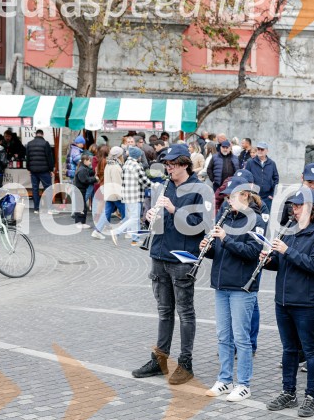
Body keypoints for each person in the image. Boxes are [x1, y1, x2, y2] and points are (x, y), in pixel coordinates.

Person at [132, 144, 206, 385]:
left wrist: (175, 210)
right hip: (159, 254)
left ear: (184, 164)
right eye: (166, 164)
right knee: (164, 311)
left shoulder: (199, 189)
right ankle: (160, 359)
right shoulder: (165, 185)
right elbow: (156, 217)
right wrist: (149, 217)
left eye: (172, 164)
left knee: (185, 312)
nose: (168, 168)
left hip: (182, 258)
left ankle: (186, 363)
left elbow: (200, 225)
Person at [263, 187, 314, 417]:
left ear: (311, 208)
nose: (294, 209)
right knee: (289, 349)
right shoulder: (288, 231)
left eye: (299, 205)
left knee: (311, 350)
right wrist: (268, 260)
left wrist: (287, 251)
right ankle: (288, 392)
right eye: (293, 205)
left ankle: (311, 396)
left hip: (307, 303)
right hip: (284, 301)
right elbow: (281, 262)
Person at [203, 177, 268, 402]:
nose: (228, 201)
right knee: (223, 336)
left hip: (242, 286)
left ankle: (244, 384)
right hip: (222, 284)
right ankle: (225, 379)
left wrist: (225, 238)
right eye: (227, 197)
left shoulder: (256, 220)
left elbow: (252, 252)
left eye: (232, 196)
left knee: (241, 338)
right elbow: (221, 252)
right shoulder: (226, 217)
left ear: (245, 195)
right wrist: (209, 248)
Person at [114, 147, 151, 246]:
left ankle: (135, 240)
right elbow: (144, 181)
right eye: (140, 155)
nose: (141, 157)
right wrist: (154, 185)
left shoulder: (126, 163)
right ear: (137, 156)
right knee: (134, 218)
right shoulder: (136, 165)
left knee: (133, 218)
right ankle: (117, 231)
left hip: (127, 195)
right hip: (135, 195)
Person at [92, 147, 125, 240]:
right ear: (119, 156)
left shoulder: (109, 164)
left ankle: (97, 231)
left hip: (110, 193)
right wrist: (121, 195)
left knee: (106, 213)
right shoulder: (115, 167)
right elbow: (117, 183)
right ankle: (128, 232)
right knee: (126, 213)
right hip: (116, 195)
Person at [25, 130, 55, 214]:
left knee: (35, 189)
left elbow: (27, 157)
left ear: (35, 134)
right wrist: (51, 169)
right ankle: (49, 209)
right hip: (44, 170)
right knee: (48, 188)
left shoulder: (29, 144)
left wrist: (29, 168)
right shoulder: (45, 143)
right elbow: (49, 157)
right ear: (42, 134)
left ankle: (36, 209)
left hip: (33, 171)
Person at [246, 142, 280, 212]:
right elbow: (246, 177)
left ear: (267, 151)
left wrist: (272, 194)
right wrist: (249, 192)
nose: (260, 151)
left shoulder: (272, 163)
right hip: (253, 196)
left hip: (267, 197)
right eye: (258, 149)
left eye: (262, 149)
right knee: (253, 215)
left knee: (266, 216)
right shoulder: (250, 162)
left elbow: (276, 179)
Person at [73, 151, 97, 229]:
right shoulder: (82, 169)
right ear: (85, 161)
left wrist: (94, 171)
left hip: (80, 189)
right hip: (80, 190)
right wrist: (95, 179)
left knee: (81, 206)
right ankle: (79, 222)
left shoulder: (83, 168)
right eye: (89, 160)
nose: (90, 162)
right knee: (81, 206)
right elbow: (85, 180)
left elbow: (89, 173)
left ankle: (81, 222)